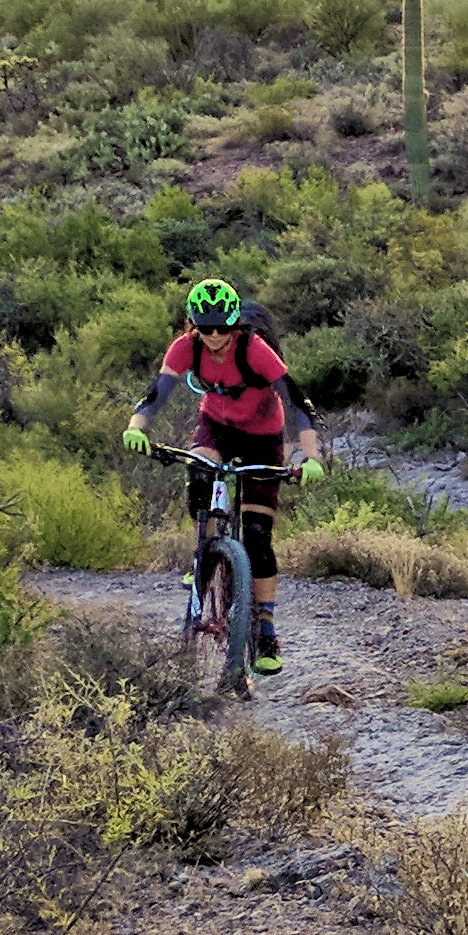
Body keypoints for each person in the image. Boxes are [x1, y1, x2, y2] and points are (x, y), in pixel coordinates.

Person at [122, 278, 322, 679]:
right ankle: (205, 555)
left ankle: (266, 632)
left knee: (259, 536)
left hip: (264, 435)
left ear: (235, 325)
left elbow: (297, 401)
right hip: (215, 426)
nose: (214, 337)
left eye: (223, 329)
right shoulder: (186, 347)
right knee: (200, 470)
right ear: (194, 325)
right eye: (205, 328)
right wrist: (137, 426)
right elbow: (157, 392)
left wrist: (310, 455)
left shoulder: (254, 350)